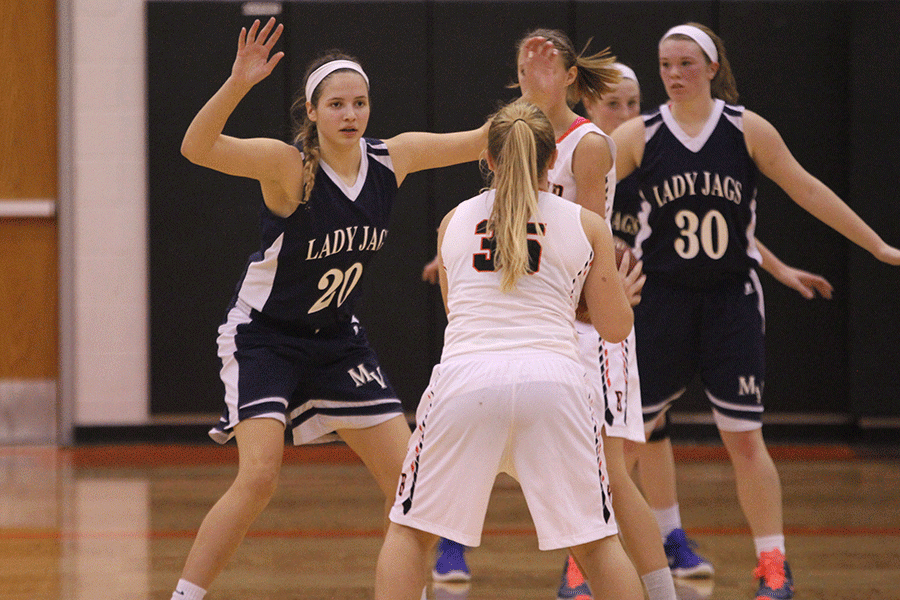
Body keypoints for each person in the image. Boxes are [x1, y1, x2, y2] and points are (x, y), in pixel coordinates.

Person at [170, 18, 489, 600]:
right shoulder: (287, 166)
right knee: (260, 476)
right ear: (312, 112)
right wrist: (239, 83)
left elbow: (483, 139)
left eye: (360, 102)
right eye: (337, 104)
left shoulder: (395, 159)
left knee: (410, 486)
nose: (350, 114)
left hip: (338, 340)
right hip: (263, 336)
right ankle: (186, 595)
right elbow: (197, 147)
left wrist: (544, 101)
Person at [611, 22, 900, 600]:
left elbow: (808, 189)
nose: (674, 74)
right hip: (661, 301)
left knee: (745, 439)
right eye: (666, 64)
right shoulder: (638, 136)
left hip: (730, 302)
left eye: (687, 63)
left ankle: (773, 564)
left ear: (713, 67)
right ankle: (592, 557)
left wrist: (876, 245)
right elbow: (577, 193)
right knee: (623, 442)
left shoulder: (747, 130)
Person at [374, 99, 643, 600]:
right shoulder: (587, 224)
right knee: (599, 546)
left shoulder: (453, 220)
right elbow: (612, 329)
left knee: (409, 534)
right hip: (557, 386)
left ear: (490, 159)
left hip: (467, 382)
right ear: (551, 162)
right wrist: (618, 297)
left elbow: (459, 314)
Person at [585, 61, 834, 584]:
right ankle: (586, 555)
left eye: (634, 102)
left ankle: (682, 539)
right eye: (615, 104)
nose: (629, 113)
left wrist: (778, 266)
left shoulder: (643, 154)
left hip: (702, 304)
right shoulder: (601, 165)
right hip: (625, 312)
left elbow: (720, 224)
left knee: (665, 435)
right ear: (589, 106)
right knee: (627, 439)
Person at [515, 32, 681, 600]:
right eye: (523, 64)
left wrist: (597, 295)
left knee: (609, 472)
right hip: (536, 322)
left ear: (569, 78)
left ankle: (660, 592)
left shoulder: (588, 145)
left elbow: (587, 242)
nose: (532, 71)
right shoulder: (514, 137)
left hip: (587, 327)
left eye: (545, 62)